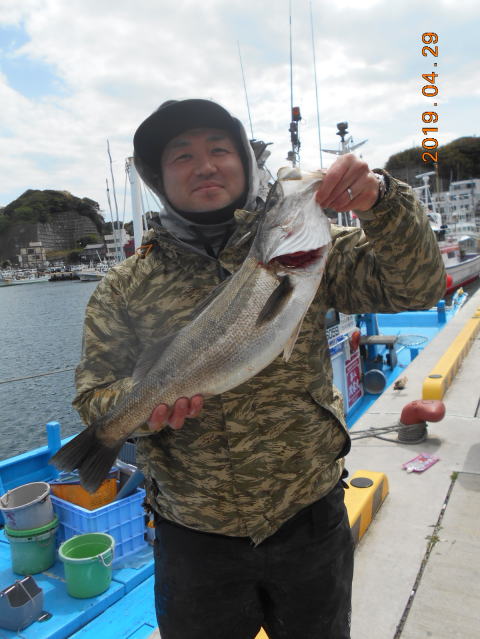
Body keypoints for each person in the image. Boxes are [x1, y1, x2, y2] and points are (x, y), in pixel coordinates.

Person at [73, 99, 446, 639]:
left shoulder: (317, 253)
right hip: (192, 534)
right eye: (183, 156)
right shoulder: (124, 286)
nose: (205, 165)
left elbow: (417, 288)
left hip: (309, 513)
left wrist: (383, 202)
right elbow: (94, 396)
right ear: (159, 177)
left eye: (220, 149)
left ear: (246, 163)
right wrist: (144, 409)